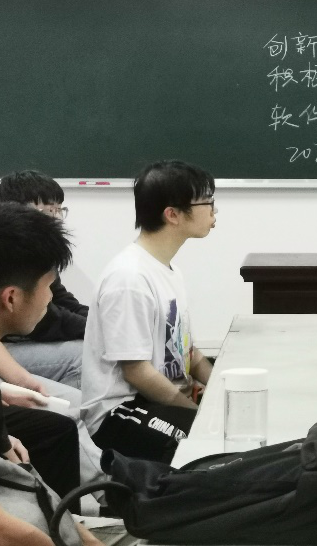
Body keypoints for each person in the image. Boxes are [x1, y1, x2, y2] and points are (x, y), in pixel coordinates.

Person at [0, 202, 100, 546]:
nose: (51, 298)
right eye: (48, 286)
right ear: (10, 298)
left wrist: (82, 538)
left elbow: (22, 477)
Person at [81, 160, 215, 463]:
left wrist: (221, 387)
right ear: (173, 214)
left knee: (229, 424)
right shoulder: (129, 279)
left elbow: (188, 352)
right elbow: (137, 372)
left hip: (159, 399)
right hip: (120, 412)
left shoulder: (169, 270)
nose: (214, 211)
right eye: (207, 202)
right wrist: (198, 412)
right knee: (206, 443)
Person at [0, 170, 87, 388]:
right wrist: (99, 331)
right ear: (15, 210)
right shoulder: (2, 251)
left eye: (58, 210)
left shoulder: (40, 250)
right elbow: (45, 321)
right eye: (47, 211)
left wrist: (102, 323)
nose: (56, 219)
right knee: (85, 355)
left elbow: (63, 300)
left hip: (21, 342)